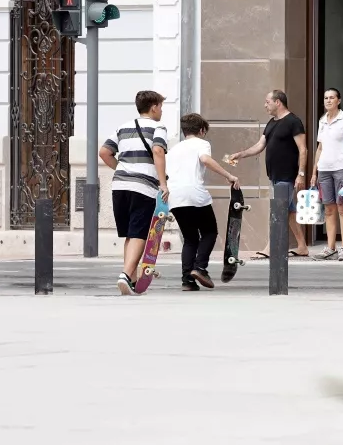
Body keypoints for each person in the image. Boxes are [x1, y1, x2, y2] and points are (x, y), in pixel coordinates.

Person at [100, 90, 171, 294]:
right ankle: (125, 273)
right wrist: (162, 183)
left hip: (120, 186)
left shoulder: (123, 127)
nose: (162, 111)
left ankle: (129, 277)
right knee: (140, 232)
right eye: (161, 107)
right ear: (154, 107)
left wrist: (123, 170)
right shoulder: (158, 127)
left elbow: (104, 152)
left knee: (131, 234)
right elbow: (158, 151)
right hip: (143, 188)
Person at [227, 90, 309, 258]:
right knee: (290, 212)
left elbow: (303, 149)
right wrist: (241, 154)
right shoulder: (272, 122)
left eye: (267, 102)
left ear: (278, 102)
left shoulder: (293, 121)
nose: (265, 105)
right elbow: (260, 145)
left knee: (277, 211)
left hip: (287, 175)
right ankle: (302, 246)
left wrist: (300, 174)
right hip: (274, 175)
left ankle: (270, 247)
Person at [166, 113, 240, 291]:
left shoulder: (174, 149)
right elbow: (205, 159)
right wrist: (229, 175)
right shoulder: (202, 143)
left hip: (175, 197)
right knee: (210, 232)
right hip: (195, 194)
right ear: (201, 130)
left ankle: (187, 281)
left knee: (190, 238)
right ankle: (200, 268)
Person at [311, 87, 343, 261]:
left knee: (342, 208)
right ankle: (330, 247)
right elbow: (320, 147)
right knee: (329, 209)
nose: (328, 101)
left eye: (332, 98)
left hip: (342, 168)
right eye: (326, 98)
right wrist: (314, 172)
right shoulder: (323, 121)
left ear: (339, 100)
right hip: (324, 169)